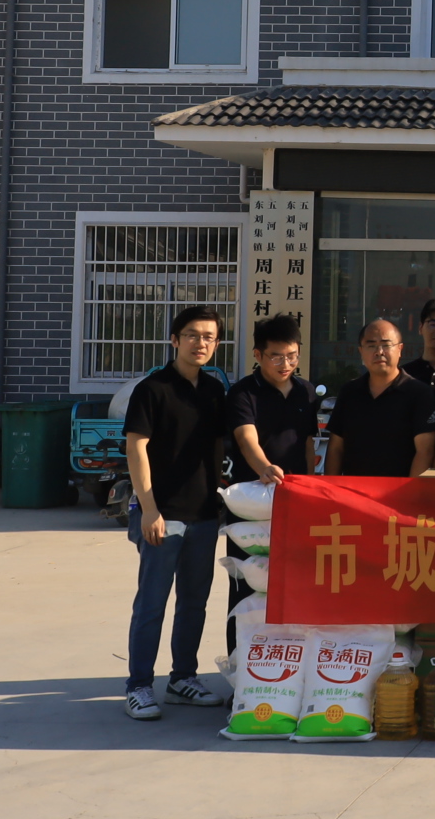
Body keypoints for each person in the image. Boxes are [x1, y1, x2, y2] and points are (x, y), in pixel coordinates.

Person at [119, 305, 232, 722]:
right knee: (151, 604)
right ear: (174, 340)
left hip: (203, 514)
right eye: (192, 335)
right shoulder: (153, 389)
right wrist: (148, 508)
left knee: (194, 603)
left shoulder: (215, 391)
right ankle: (138, 686)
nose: (201, 343)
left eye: (209, 337)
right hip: (162, 516)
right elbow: (136, 448)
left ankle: (183, 678)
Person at [324, 318, 435, 477]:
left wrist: (410, 489)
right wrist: (332, 487)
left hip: (398, 489)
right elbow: (336, 448)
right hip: (353, 489)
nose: (379, 352)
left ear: (400, 349)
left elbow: (425, 451)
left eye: (386, 345)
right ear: (361, 351)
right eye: (371, 345)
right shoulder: (349, 392)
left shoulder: (419, 393)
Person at [227, 313, 317, 484]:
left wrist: (310, 481)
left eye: (292, 356)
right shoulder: (243, 393)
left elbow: (307, 443)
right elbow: (246, 440)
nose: (285, 364)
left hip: (296, 487)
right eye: (276, 358)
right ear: (258, 355)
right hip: (254, 487)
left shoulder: (306, 391)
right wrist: (265, 469)